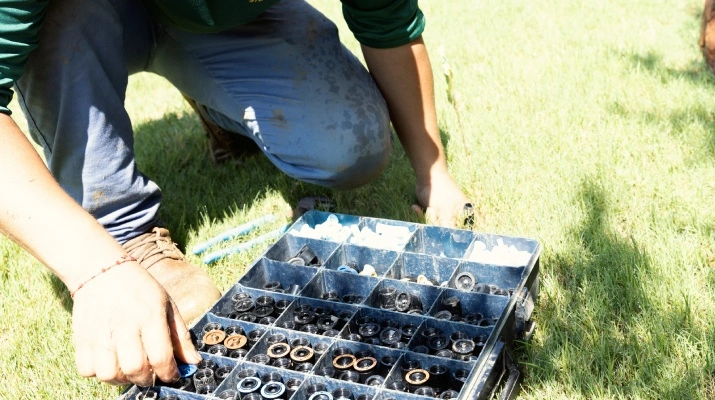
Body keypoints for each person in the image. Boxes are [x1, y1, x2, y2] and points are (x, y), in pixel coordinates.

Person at [0, 0, 471, 388]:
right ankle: (122, 232)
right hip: (80, 16)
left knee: (351, 144)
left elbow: (388, 21)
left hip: (209, 23)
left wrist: (433, 172)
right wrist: (97, 269)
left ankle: (218, 102)